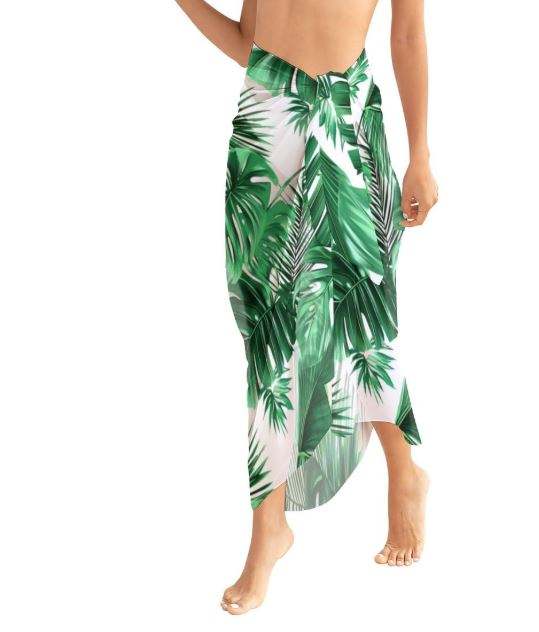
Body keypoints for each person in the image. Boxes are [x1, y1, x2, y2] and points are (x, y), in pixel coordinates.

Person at [176, 0, 439, 615]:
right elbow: (250, 39)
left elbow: (407, 36)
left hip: (347, 118)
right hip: (267, 122)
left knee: (363, 315)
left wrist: (421, 154)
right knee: (268, 336)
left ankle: (404, 471)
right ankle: (268, 526)